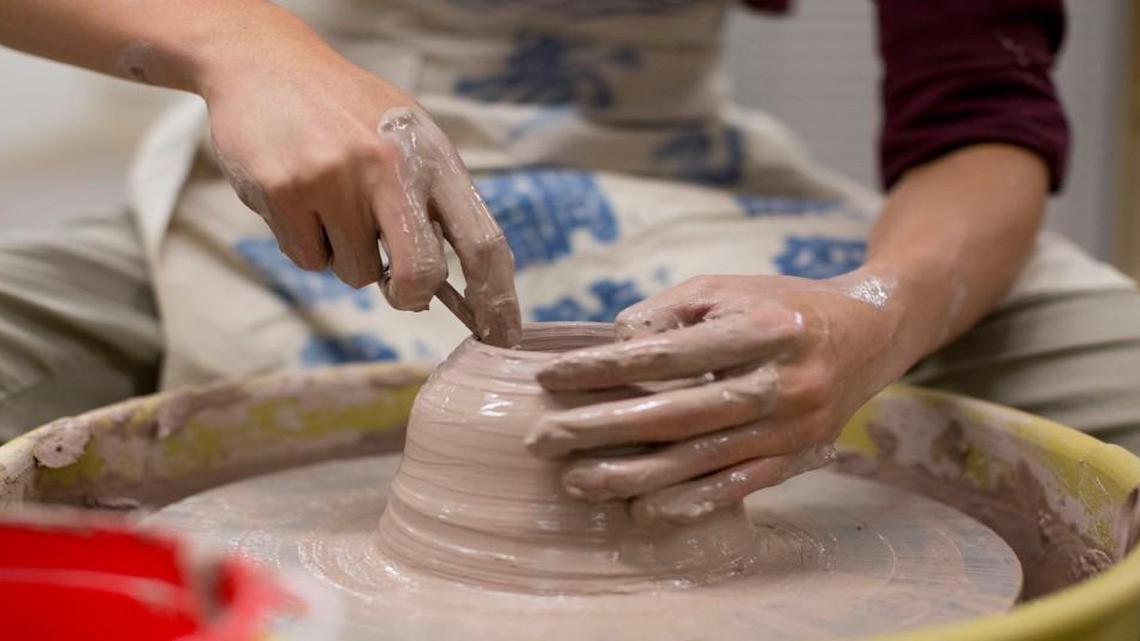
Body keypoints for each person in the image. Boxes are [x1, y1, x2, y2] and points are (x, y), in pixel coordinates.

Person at [1, 0, 1138, 521]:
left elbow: (981, 111)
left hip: (681, 170)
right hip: (306, 181)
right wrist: (235, 42)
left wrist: (874, 316)